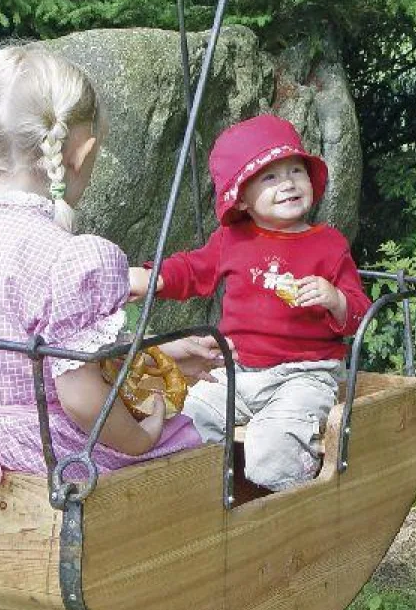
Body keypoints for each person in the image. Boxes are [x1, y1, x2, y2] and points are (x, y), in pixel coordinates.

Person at [0, 43, 213, 486]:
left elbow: (39, 352)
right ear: (80, 153)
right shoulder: (73, 257)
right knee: (182, 439)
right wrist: (139, 439)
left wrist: (150, 355)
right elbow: (81, 398)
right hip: (35, 453)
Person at [129, 114, 371, 492]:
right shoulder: (233, 239)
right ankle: (205, 501)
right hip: (235, 370)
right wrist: (154, 278)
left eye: (296, 170)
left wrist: (336, 299)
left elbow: (358, 312)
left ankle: (289, 508)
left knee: (274, 443)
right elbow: (192, 269)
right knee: (187, 420)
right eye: (270, 177)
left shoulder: (329, 245)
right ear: (241, 196)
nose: (288, 183)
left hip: (304, 374)